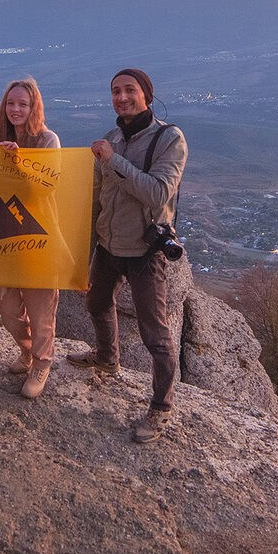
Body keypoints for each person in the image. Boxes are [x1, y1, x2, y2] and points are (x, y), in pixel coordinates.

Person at [67, 68, 187, 443]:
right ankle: (107, 358)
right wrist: (83, 258)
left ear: (146, 95)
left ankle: (162, 407)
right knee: (97, 303)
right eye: (115, 91)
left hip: (145, 250)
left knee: (156, 334)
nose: (121, 97)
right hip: (108, 245)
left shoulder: (169, 139)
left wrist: (114, 161)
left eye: (129, 90)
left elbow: (157, 192)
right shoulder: (111, 137)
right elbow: (95, 202)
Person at [0, 79, 61, 400]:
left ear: (34, 108)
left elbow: (45, 188)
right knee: (5, 304)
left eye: (23, 104)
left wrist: (17, 162)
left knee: (40, 307)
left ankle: (42, 363)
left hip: (38, 236)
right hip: (4, 235)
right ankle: (27, 349)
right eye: (11, 104)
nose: (16, 110)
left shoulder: (48, 140)